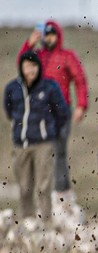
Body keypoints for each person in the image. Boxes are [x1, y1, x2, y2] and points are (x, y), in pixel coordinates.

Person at [18, 21, 88, 198]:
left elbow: (79, 79)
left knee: (59, 151)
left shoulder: (67, 56)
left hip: (60, 112)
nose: (48, 38)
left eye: (52, 34)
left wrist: (81, 105)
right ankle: (42, 192)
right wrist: (29, 44)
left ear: (58, 36)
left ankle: (61, 191)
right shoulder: (38, 56)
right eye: (46, 34)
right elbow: (23, 66)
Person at [4, 51, 69, 221]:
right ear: (21, 67)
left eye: (33, 66)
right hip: (21, 144)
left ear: (38, 67)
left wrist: (50, 131)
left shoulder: (49, 87)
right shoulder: (13, 88)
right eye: (26, 66)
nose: (30, 70)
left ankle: (46, 223)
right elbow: (9, 109)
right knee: (24, 187)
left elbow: (62, 112)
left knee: (43, 185)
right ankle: (28, 222)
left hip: (44, 144)